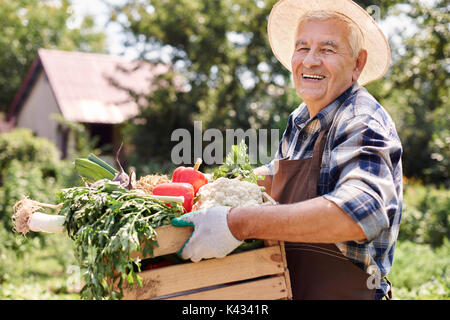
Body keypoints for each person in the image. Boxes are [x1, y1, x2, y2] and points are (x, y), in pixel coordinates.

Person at [171, 0, 403, 300]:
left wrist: (237, 223)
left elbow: (362, 212)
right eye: (302, 47)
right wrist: (215, 188)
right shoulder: (302, 118)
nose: (310, 61)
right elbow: (281, 174)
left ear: (357, 64)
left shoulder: (361, 120)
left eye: (327, 49)